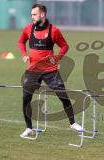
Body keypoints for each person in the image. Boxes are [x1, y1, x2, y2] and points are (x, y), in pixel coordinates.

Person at [18, 4, 83, 138]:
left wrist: (58, 57)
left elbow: (65, 46)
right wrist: (24, 53)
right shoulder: (28, 29)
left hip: (50, 70)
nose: (32, 17)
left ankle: (73, 123)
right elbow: (20, 42)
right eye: (31, 15)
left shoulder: (54, 30)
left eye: (34, 14)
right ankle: (29, 128)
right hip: (33, 70)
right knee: (26, 98)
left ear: (42, 15)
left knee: (63, 96)